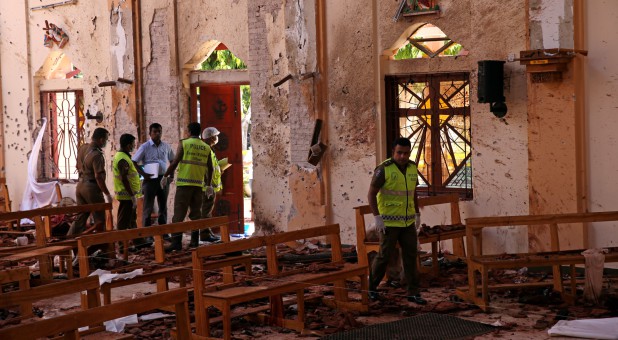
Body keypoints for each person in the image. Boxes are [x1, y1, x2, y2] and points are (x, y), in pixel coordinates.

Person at [367, 137, 427, 305]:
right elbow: (371, 194)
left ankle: (413, 292)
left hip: (407, 223)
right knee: (384, 255)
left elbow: (413, 192)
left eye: (406, 153)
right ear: (393, 152)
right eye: (399, 153)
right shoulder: (383, 169)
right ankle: (371, 289)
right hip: (388, 223)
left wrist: (417, 213)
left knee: (410, 256)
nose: (402, 156)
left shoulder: (412, 168)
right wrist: (377, 217)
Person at [161, 122, 213, 251]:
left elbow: (175, 162)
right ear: (199, 132)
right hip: (198, 185)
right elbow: (210, 168)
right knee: (196, 215)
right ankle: (195, 242)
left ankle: (176, 243)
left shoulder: (184, 143)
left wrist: (165, 175)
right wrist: (208, 185)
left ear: (189, 131)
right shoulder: (206, 147)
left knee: (178, 215)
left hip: (184, 185)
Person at [67, 127, 112, 236]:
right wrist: (107, 194)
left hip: (80, 186)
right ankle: (103, 246)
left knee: (81, 217)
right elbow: (98, 177)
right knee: (100, 218)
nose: (106, 142)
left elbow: (77, 166)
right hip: (91, 188)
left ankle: (70, 240)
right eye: (106, 139)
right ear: (101, 140)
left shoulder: (83, 148)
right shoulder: (97, 155)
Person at [132, 123, 175, 234]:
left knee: (163, 207)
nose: (157, 134)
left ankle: (163, 232)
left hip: (163, 179)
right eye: (155, 132)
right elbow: (134, 161)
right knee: (148, 207)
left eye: (159, 131)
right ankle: (147, 234)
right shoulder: (145, 147)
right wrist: (143, 174)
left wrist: (171, 175)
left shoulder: (166, 146)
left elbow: (173, 161)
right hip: (150, 180)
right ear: (150, 133)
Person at [113, 134, 148, 251]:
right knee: (123, 222)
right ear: (128, 145)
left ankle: (138, 242)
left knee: (132, 220)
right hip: (126, 195)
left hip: (129, 195)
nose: (134, 146)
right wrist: (132, 196)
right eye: (133, 144)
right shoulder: (122, 159)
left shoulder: (124, 156)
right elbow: (124, 178)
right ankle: (122, 246)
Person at [199, 127, 223, 242]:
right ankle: (205, 234)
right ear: (212, 137)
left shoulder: (210, 149)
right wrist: (208, 186)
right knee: (206, 211)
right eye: (216, 136)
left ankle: (208, 232)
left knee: (208, 210)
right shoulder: (206, 150)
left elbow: (212, 168)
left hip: (211, 186)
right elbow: (206, 169)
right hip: (207, 187)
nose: (217, 138)